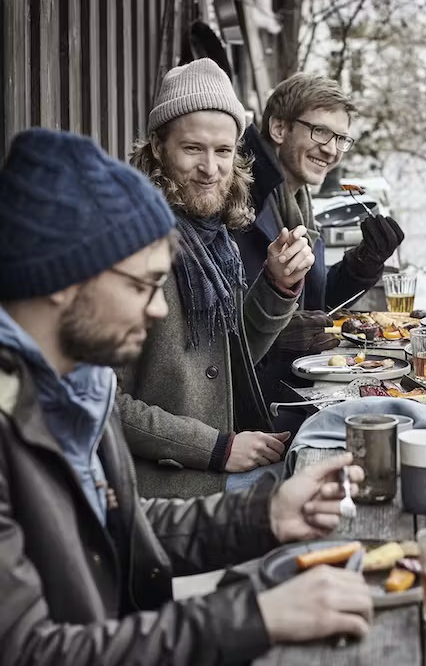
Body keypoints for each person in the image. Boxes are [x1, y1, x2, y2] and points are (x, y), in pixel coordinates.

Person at [0, 128, 371, 664]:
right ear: (64, 278)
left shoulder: (78, 385)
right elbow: (34, 653)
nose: (156, 310)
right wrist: (256, 616)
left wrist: (264, 515)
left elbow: (118, 527)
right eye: (141, 285)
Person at [120, 59, 314, 498]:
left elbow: (226, 355)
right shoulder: (129, 246)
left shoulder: (216, 240)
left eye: (223, 151)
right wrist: (216, 448)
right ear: (157, 146)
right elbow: (102, 402)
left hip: (216, 473)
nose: (211, 168)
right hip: (160, 493)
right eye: (193, 149)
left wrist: (277, 285)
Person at [234, 73, 406, 430]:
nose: (331, 149)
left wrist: (364, 262)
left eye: (340, 138)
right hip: (248, 415)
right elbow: (220, 331)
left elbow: (317, 303)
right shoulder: (240, 198)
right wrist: (275, 336)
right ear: (279, 129)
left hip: (290, 389)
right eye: (321, 132)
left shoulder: (297, 199)